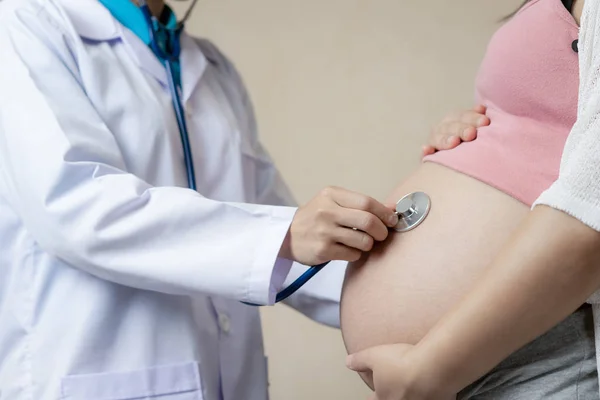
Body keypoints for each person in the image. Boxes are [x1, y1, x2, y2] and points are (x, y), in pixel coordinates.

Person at [0, 0, 405, 399]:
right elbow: (76, 207)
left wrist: (419, 309)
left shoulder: (212, 68)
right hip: (92, 377)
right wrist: (284, 234)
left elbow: (286, 239)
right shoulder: (27, 24)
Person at [340, 0, 600, 399]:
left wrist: (430, 368)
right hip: (476, 355)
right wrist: (484, 133)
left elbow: (591, 207)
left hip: (541, 344)